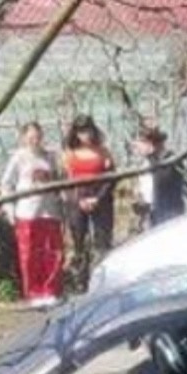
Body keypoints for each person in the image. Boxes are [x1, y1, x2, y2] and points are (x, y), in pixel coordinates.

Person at [0, 122, 66, 307]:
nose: (35, 141)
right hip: (27, 213)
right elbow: (6, 184)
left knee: (52, 252)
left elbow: (60, 179)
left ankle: (51, 290)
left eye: (38, 137)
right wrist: (9, 208)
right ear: (24, 138)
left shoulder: (50, 157)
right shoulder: (18, 158)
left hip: (50, 212)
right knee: (30, 254)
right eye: (31, 137)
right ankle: (34, 292)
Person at [63, 117, 117, 284]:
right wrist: (79, 200)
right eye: (80, 131)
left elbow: (112, 178)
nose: (84, 135)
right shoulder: (69, 154)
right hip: (77, 201)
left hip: (101, 199)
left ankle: (105, 279)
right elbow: (66, 181)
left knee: (102, 240)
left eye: (87, 130)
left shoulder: (103, 152)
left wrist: (98, 198)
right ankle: (81, 281)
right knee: (79, 241)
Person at [129, 121, 185, 231]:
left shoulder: (169, 161)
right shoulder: (145, 163)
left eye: (139, 144)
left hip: (168, 214)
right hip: (152, 215)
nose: (137, 149)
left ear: (150, 144)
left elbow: (165, 185)